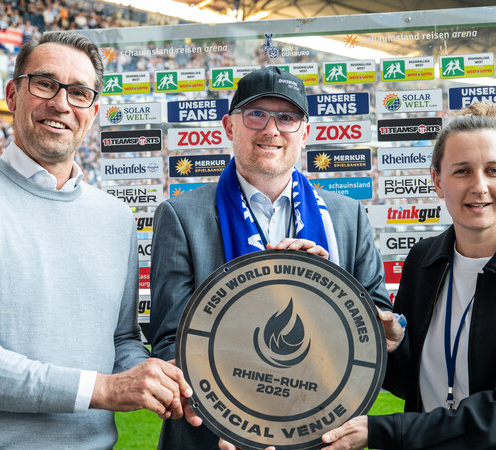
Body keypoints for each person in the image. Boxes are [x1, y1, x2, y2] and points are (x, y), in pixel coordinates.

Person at [0, 31, 198, 449]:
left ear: (92, 112)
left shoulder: (115, 218)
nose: (61, 103)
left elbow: (121, 340)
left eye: (79, 93)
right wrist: (103, 390)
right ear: (12, 94)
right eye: (45, 84)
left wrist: (166, 380)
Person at [149, 66, 394, 450]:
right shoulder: (181, 216)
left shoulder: (347, 215)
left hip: (315, 434)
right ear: (230, 127)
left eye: (287, 117)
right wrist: (236, 416)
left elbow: (379, 322)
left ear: (305, 132)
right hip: (215, 438)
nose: (271, 129)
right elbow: (169, 341)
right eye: (256, 114)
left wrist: (329, 288)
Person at [321, 102, 496, 449]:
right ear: (438, 181)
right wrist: (396, 346)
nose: (479, 186)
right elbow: (411, 384)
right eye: (462, 171)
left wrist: (386, 431)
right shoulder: (423, 260)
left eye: (493, 170)